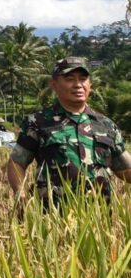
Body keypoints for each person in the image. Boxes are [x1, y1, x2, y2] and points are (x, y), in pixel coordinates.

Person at [7, 57, 131, 210]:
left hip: (99, 218)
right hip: (52, 216)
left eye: (83, 79)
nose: (78, 85)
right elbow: (17, 162)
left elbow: (125, 168)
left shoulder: (106, 125)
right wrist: (20, 194)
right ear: (54, 85)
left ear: (90, 85)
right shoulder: (38, 122)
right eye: (69, 79)